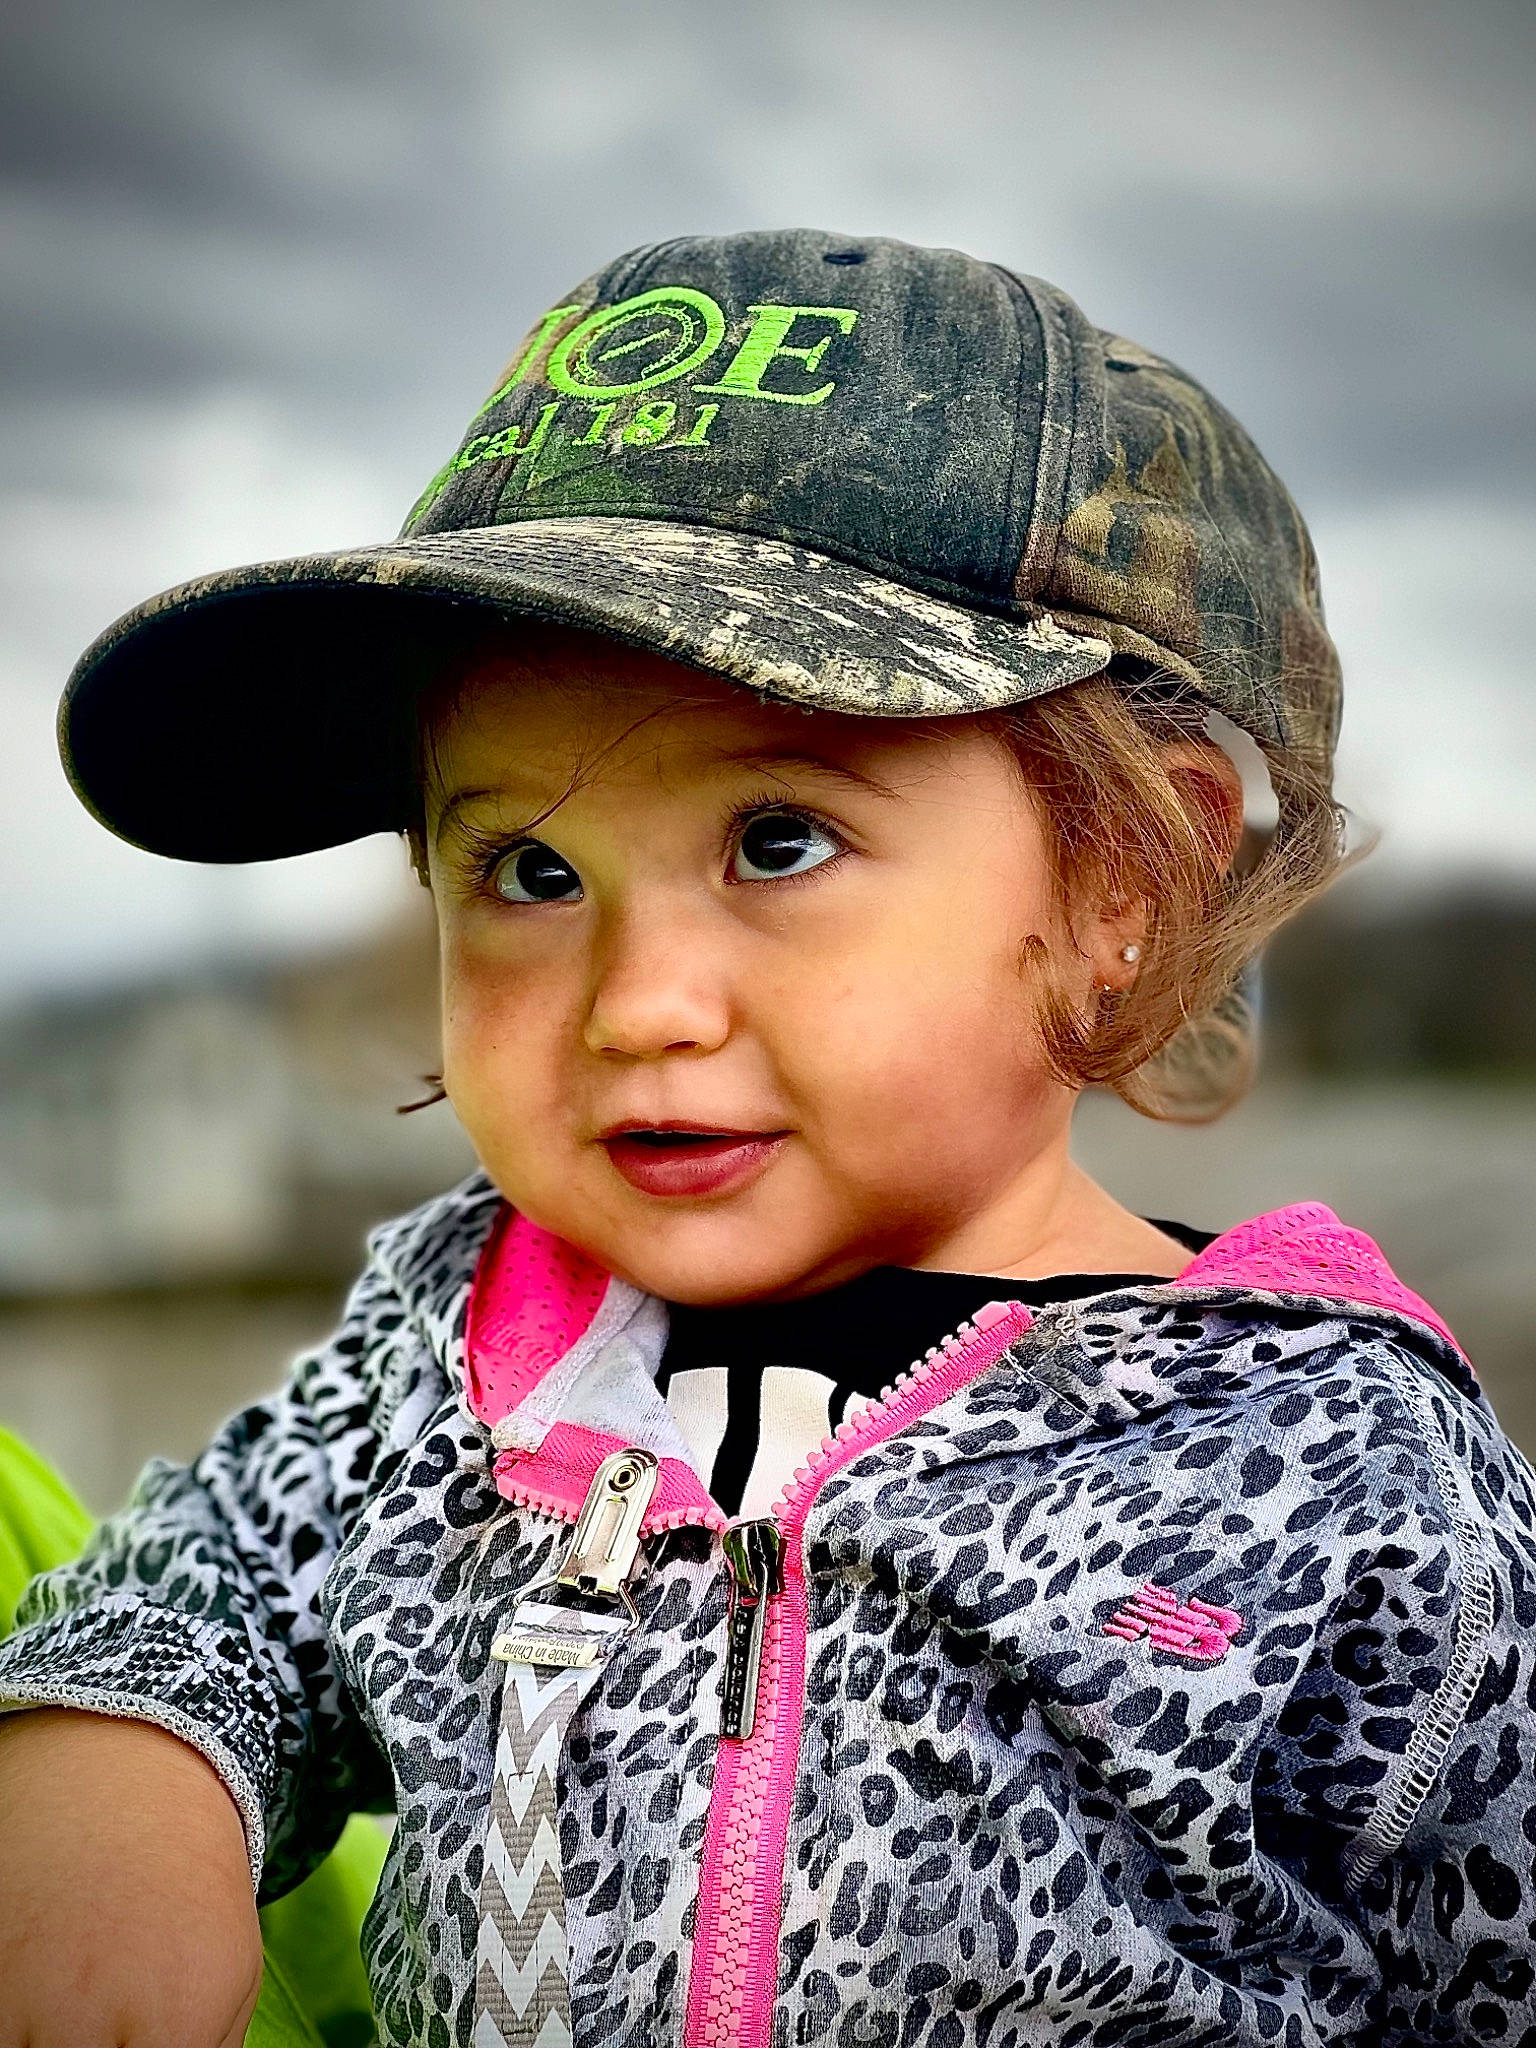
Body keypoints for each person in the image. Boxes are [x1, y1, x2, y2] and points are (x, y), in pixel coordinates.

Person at [1, 229, 1531, 2048]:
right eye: (530, 872)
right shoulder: (460, 1363)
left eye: (779, 842)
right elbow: (205, 1574)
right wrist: (114, 1783)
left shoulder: (1337, 1470)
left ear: (1133, 875)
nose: (638, 1001)